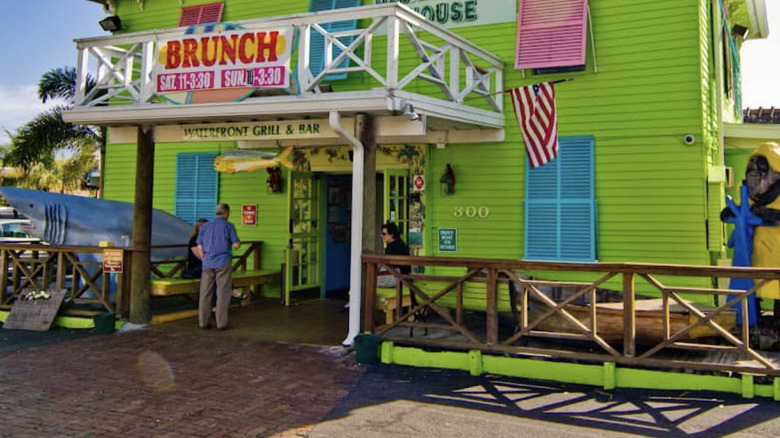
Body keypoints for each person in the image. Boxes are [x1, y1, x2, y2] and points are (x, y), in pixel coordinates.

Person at [193, 203, 240, 331]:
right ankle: (221, 323)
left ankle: (203, 322)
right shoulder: (229, 226)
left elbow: (199, 246)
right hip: (223, 261)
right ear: (226, 213)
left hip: (207, 262)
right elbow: (236, 245)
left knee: (205, 292)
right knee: (223, 292)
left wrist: (204, 257)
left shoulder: (205, 227)